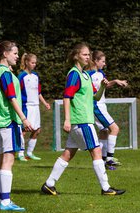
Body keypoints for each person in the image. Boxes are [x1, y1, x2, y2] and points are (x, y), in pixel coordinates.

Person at [41, 43, 125, 196]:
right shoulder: (74, 74)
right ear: (76, 56)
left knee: (68, 153)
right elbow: (67, 97)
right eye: (85, 54)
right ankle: (106, 188)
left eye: (89, 55)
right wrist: (67, 119)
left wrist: (102, 87)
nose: (88, 57)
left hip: (83, 120)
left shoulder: (85, 75)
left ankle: (49, 184)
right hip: (81, 121)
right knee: (97, 151)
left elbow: (95, 97)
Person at [0, 40, 33, 211]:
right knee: (8, 159)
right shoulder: (5, 73)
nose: (17, 56)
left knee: (1, 159)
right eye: (15, 53)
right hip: (9, 121)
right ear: (5, 54)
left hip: (1, 121)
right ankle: (6, 202)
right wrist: (23, 118)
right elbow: (12, 98)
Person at [87, 50, 128, 169]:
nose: (104, 64)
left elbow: (105, 85)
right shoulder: (88, 75)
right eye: (103, 61)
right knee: (115, 129)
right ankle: (110, 158)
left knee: (104, 132)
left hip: (101, 105)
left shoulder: (100, 73)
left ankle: (102, 161)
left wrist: (115, 81)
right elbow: (92, 93)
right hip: (96, 106)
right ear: (95, 61)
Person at [16, 53, 51, 161]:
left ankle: (30, 153)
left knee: (37, 130)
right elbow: (16, 92)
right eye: (32, 62)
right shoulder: (21, 76)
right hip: (26, 106)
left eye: (35, 63)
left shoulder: (36, 76)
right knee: (24, 130)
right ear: (26, 62)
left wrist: (44, 103)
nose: (34, 65)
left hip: (36, 107)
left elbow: (38, 92)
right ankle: (21, 153)